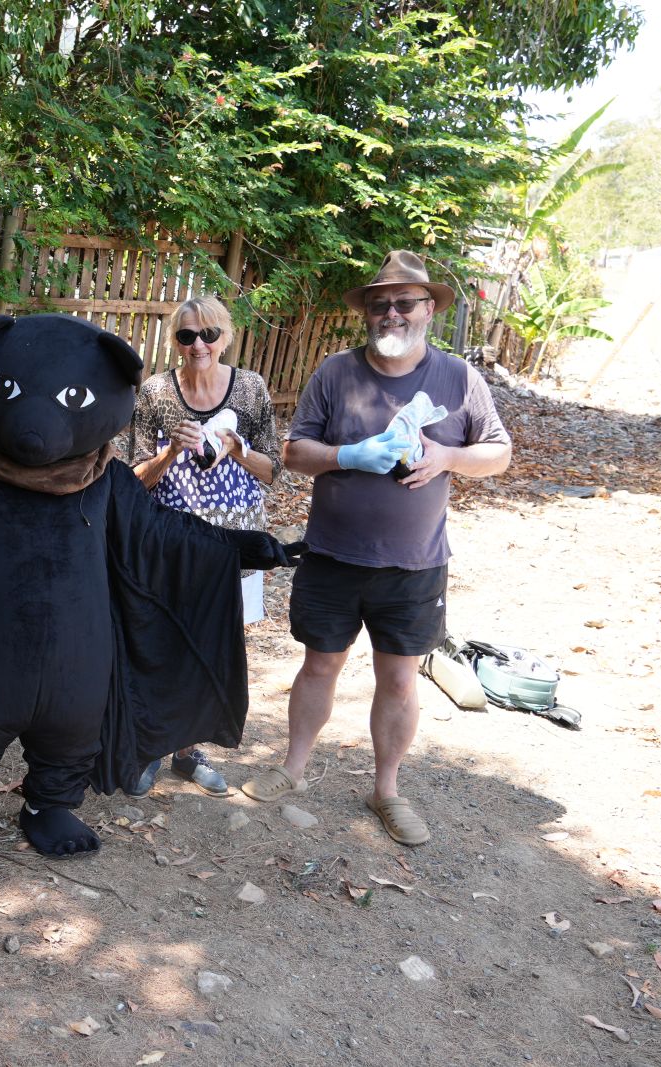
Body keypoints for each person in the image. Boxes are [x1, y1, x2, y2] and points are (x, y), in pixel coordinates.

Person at [241, 251, 512, 847]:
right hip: (334, 555)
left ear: (428, 310)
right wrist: (347, 455)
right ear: (367, 311)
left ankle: (386, 790)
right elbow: (292, 453)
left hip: (415, 564)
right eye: (380, 303)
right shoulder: (335, 373)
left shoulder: (459, 379)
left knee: (399, 680)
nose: (392, 312)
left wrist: (447, 457)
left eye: (405, 302)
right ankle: (292, 769)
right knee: (319, 664)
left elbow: (499, 453)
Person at [123, 295, 281, 797]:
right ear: (175, 340)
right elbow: (132, 480)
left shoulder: (251, 390)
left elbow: (274, 470)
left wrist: (238, 447)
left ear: (226, 337)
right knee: (161, 640)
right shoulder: (155, 394)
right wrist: (170, 451)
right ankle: (150, 746)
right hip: (170, 542)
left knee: (217, 644)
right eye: (188, 335)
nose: (199, 345)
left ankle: (189, 752)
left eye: (209, 334)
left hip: (232, 544)